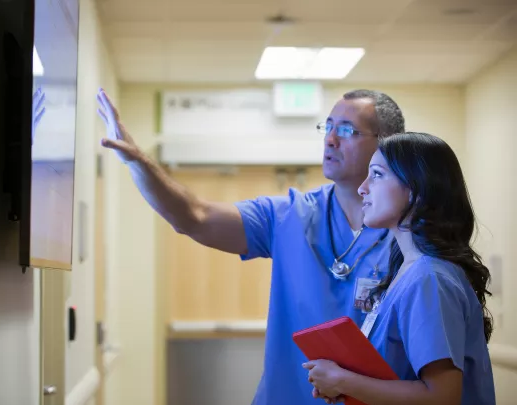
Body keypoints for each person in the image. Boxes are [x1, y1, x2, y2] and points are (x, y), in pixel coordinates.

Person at [96, 88, 406, 404]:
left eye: (346, 131)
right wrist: (137, 161)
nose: (330, 139)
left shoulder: (409, 234)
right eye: (327, 127)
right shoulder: (289, 214)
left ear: (387, 145)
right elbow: (194, 217)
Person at [303, 132, 495, 405]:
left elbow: (441, 397)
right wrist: (347, 385)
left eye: (377, 175)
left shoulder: (429, 279)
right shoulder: (406, 273)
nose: (362, 188)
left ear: (417, 189)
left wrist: (342, 380)